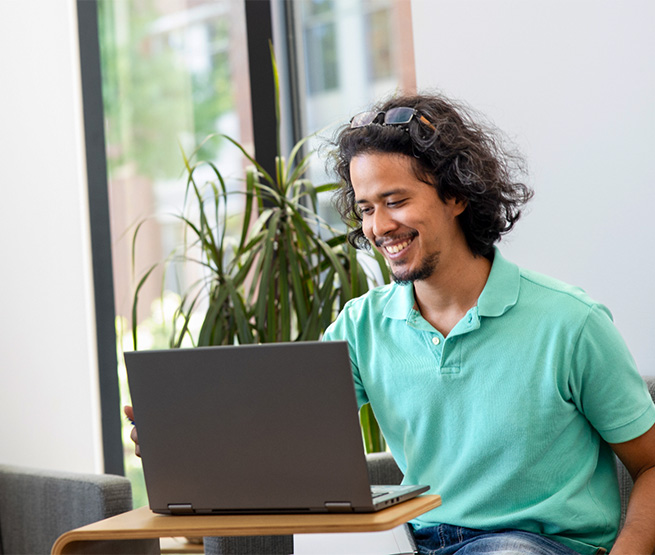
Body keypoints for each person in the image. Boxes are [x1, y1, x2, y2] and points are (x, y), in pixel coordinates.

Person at [321, 93, 655, 554]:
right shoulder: (360, 327)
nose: (379, 227)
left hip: (529, 544)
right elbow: (294, 438)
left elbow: (652, 467)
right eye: (365, 208)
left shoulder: (571, 323)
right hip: (414, 542)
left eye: (395, 201)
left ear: (455, 195)